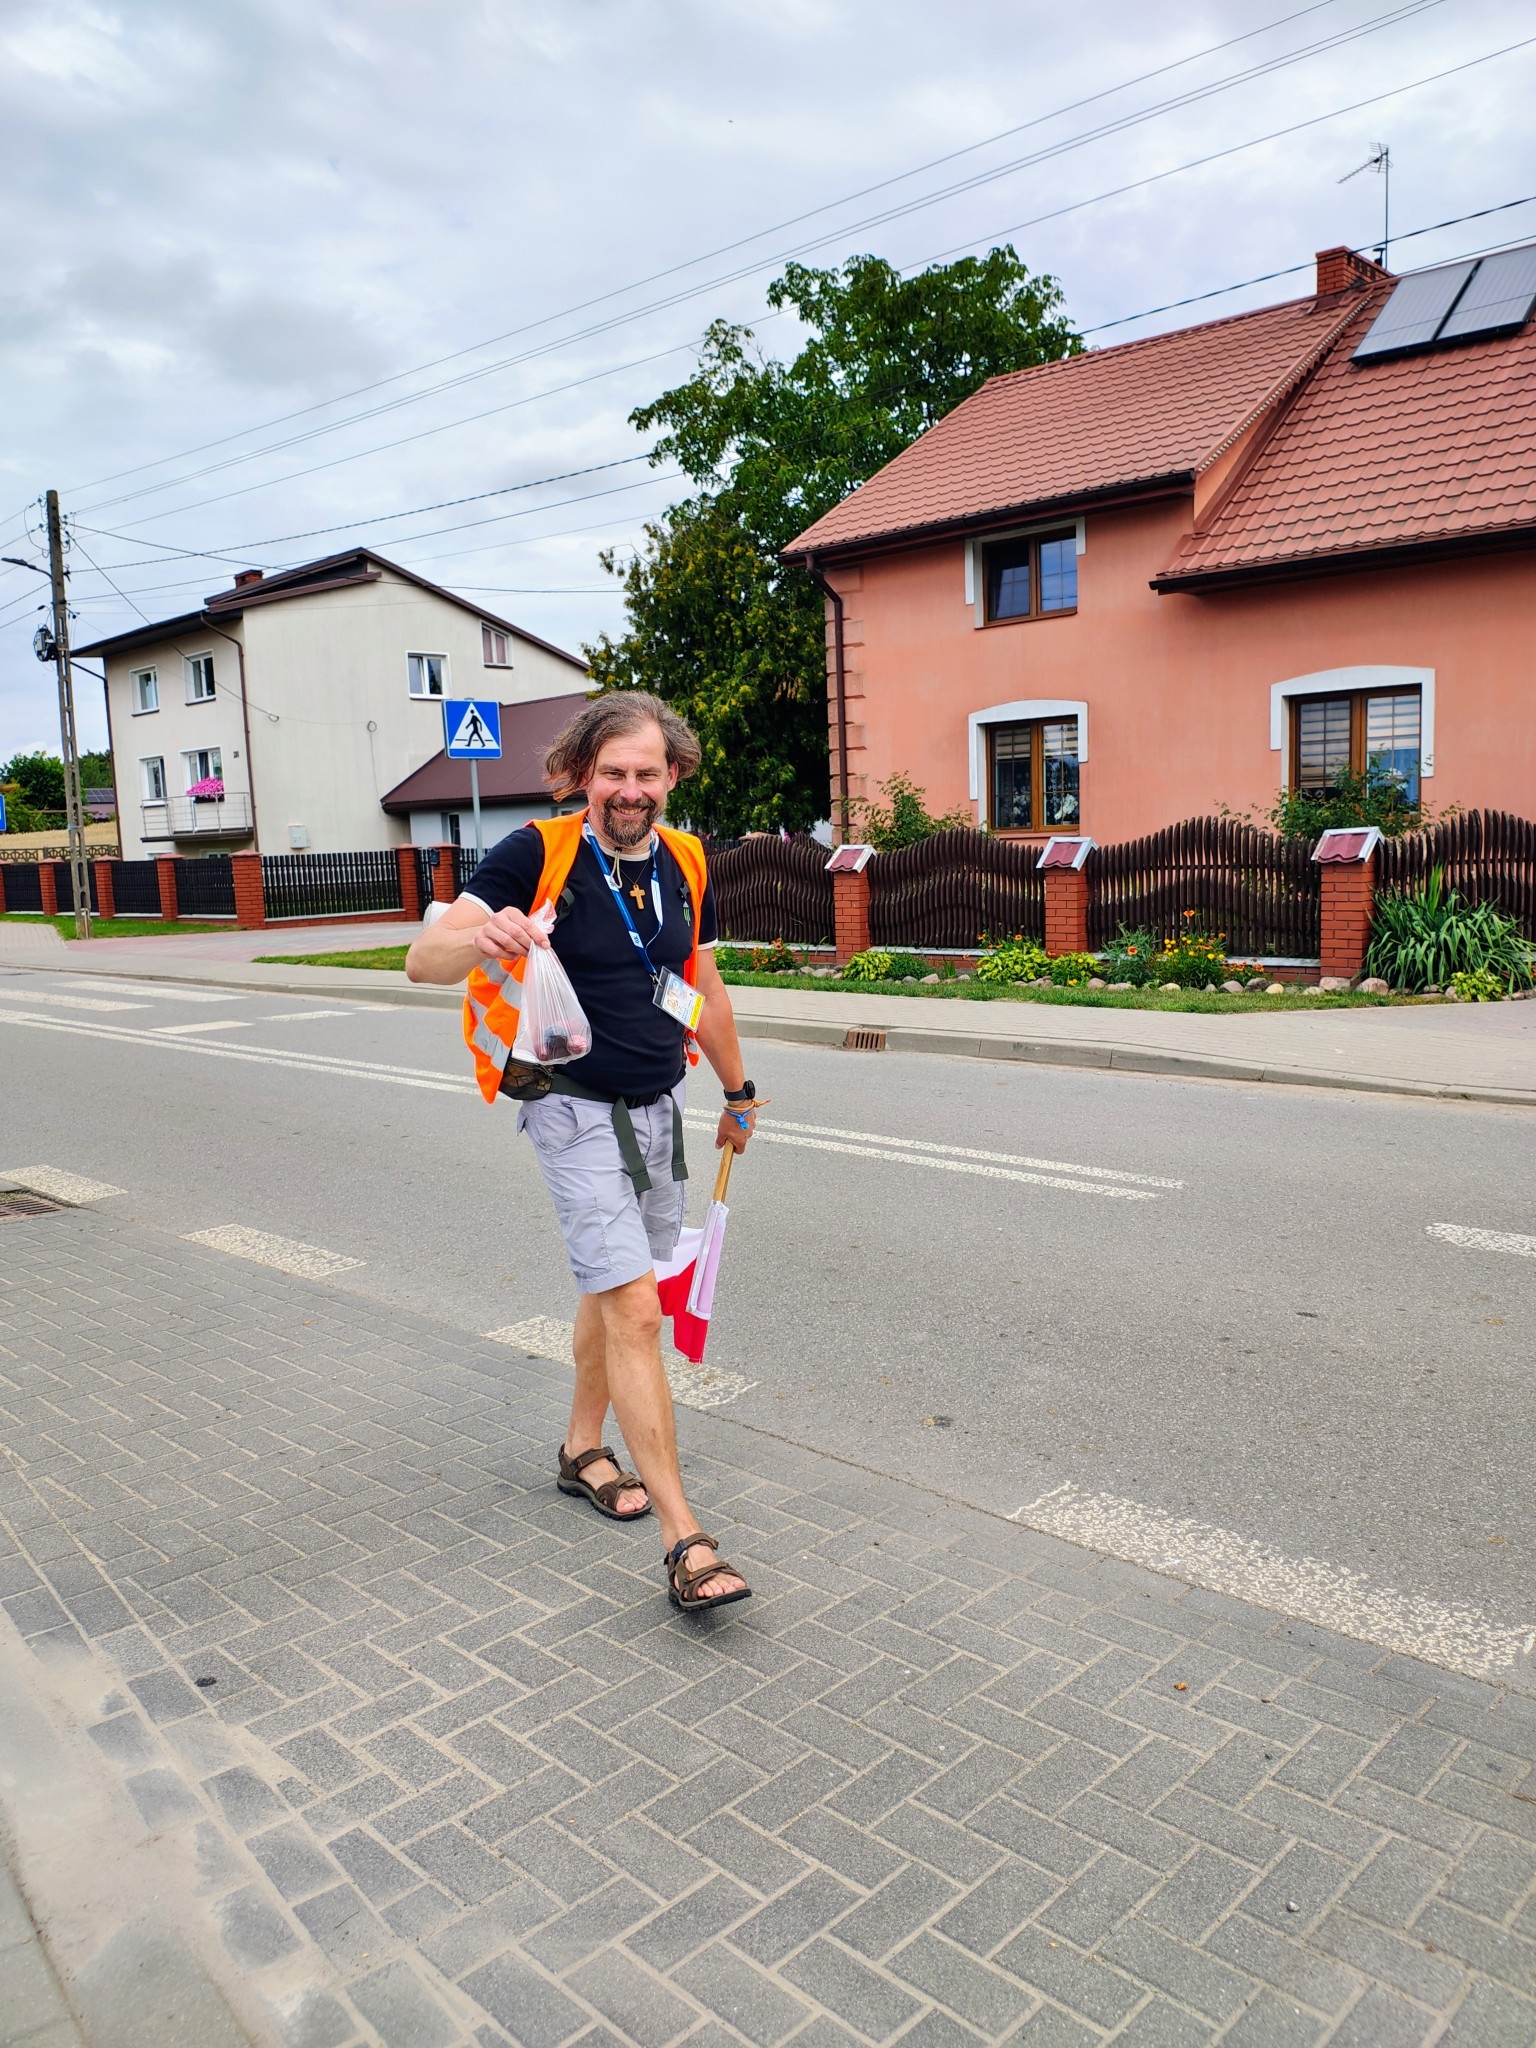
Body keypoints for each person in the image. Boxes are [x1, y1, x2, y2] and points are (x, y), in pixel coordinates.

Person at [405, 692, 760, 1614]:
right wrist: (478, 936)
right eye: (612, 773)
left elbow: (703, 985)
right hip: (568, 1108)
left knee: (615, 1284)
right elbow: (423, 959)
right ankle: (685, 1540)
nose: (629, 790)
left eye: (646, 773)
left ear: (672, 775)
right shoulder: (539, 851)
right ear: (581, 775)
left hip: (660, 1105)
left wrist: (739, 1091)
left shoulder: (687, 860)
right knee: (636, 1307)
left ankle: (579, 1449)